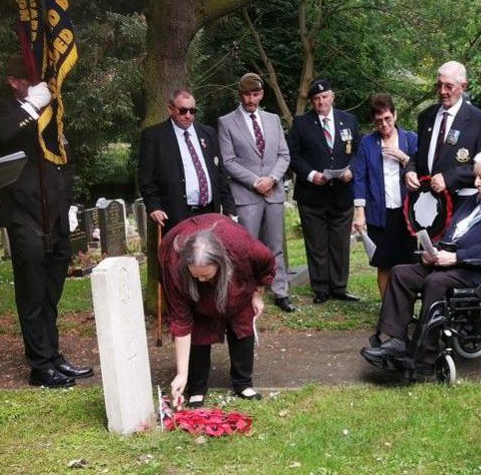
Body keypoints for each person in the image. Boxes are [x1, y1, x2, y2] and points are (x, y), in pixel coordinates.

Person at [362, 149, 481, 364]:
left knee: (436, 282)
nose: (477, 183)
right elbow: (454, 232)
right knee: (401, 273)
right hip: (452, 263)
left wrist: (456, 257)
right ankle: (395, 341)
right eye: (475, 177)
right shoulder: (477, 199)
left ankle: (424, 355)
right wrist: (433, 251)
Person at [0, 56, 92, 388]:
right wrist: (32, 106)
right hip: (24, 212)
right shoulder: (4, 109)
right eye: (31, 83)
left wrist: (68, 201)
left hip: (56, 212)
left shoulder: (51, 116)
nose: (42, 89)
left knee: (51, 291)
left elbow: (64, 159)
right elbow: (4, 134)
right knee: (32, 291)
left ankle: (53, 354)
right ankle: (39, 364)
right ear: (13, 81)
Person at [160, 214, 275, 407]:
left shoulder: (243, 247)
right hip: (194, 297)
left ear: (220, 263)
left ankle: (243, 383)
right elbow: (181, 322)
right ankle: (196, 388)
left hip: (236, 286)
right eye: (195, 275)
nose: (201, 280)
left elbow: (266, 264)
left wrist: (257, 293)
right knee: (199, 330)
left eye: (205, 275)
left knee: (241, 326)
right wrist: (181, 374)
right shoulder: (173, 263)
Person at [218, 73, 296, 312]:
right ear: (240, 94)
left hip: (273, 192)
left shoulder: (272, 120)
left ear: (261, 94)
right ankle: (246, 293)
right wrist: (255, 181)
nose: (251, 99)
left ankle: (281, 291)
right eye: (246, 95)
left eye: (255, 94)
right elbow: (228, 160)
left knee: (276, 245)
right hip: (246, 195)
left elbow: (284, 154)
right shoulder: (226, 122)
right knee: (246, 248)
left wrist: (272, 179)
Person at [288, 78, 361, 303]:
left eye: (325, 96)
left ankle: (339, 287)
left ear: (333, 96)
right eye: (317, 98)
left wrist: (352, 170)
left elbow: (359, 152)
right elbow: (293, 155)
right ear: (312, 101)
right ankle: (321, 289)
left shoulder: (349, 120)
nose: (321, 101)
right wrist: (311, 175)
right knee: (317, 244)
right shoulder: (301, 123)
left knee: (340, 244)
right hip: (313, 194)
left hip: (342, 192)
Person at [404, 61, 481, 204]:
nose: (442, 91)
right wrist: (410, 170)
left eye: (448, 86)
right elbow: (419, 154)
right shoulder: (426, 117)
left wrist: (450, 178)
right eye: (439, 85)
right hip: (428, 205)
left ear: (463, 86)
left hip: (465, 204)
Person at [138, 89, 237, 231]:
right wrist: (154, 207)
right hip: (176, 214)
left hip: (210, 212)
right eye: (183, 111)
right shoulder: (154, 137)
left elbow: (219, 173)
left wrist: (229, 206)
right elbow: (146, 179)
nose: (188, 116)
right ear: (170, 109)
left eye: (193, 111)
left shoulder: (208, 133)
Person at [352, 92, 419, 295]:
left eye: (387, 118)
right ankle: (388, 309)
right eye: (379, 120)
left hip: (407, 212)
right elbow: (360, 178)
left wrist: (404, 158)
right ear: (374, 121)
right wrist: (360, 211)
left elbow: (423, 172)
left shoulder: (410, 139)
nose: (384, 124)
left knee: (409, 263)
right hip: (380, 212)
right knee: (384, 264)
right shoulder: (368, 143)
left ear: (395, 115)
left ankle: (406, 309)